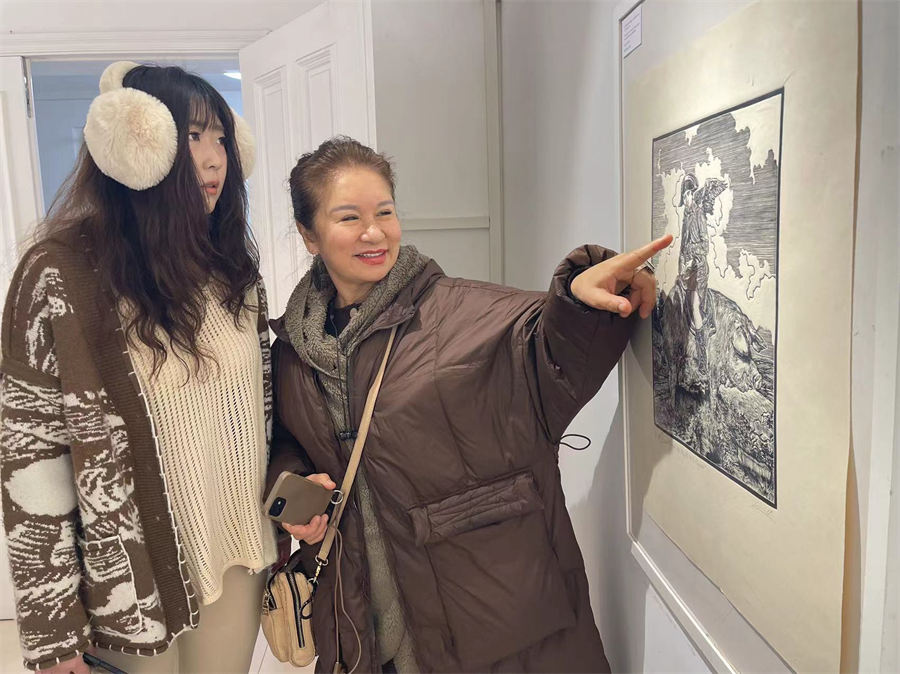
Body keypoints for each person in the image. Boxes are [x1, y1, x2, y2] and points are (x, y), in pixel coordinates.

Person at [268, 136, 672, 673]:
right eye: (349, 218)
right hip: (359, 616)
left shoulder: (458, 312)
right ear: (309, 234)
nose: (374, 232)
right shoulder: (294, 350)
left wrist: (579, 299)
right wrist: (298, 488)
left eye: (385, 212)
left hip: (477, 616)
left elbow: (542, 347)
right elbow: (286, 440)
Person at [0, 62, 276, 674]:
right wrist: (52, 631)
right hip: (129, 579)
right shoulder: (59, 274)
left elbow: (260, 414)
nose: (214, 159)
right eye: (192, 136)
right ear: (137, 144)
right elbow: (31, 463)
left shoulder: (233, 270)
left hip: (238, 552)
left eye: (221, 138)